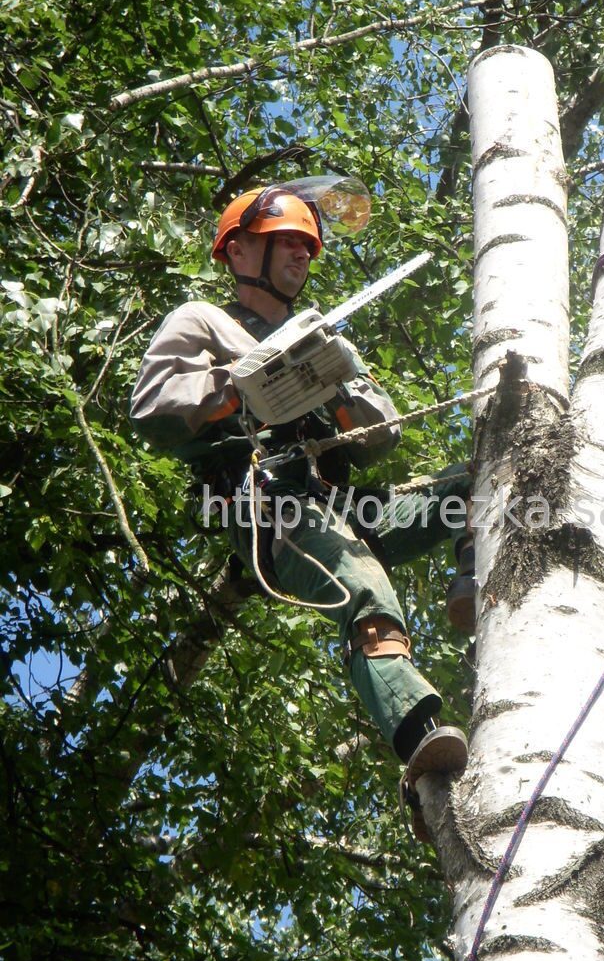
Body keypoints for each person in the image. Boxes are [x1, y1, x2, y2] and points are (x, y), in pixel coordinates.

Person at [130, 179, 474, 839]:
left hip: (345, 505)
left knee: (475, 484)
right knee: (367, 589)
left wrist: (337, 380)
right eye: (286, 243)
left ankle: (475, 580)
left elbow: (381, 438)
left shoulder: (315, 334)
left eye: (307, 249)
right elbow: (153, 413)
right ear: (238, 254)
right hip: (271, 506)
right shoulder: (204, 322)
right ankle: (419, 746)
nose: (301, 257)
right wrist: (241, 383)